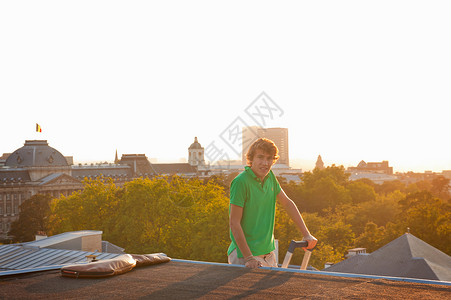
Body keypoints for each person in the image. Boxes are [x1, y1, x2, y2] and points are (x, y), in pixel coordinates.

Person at [228, 138, 317, 269]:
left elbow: (287, 203)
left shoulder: (270, 178)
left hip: (268, 254)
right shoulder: (241, 182)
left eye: (269, 158)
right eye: (260, 157)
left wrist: (306, 233)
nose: (265, 163)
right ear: (251, 158)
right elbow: (234, 223)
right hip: (245, 255)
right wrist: (249, 258)